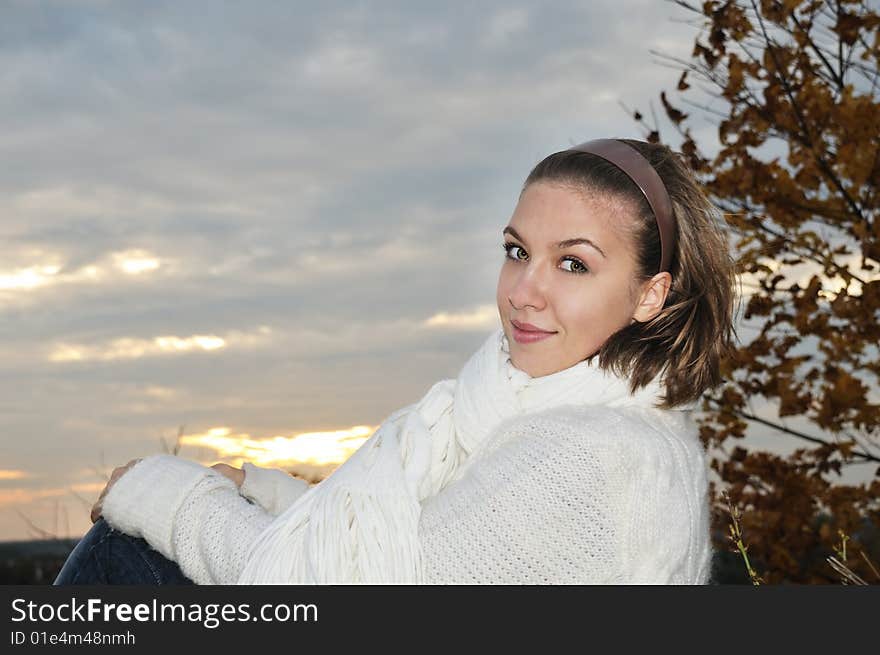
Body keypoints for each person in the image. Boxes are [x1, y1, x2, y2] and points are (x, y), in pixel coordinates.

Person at [54, 137, 737, 585]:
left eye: (573, 263)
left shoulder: (587, 451)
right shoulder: (589, 416)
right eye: (516, 250)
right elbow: (413, 545)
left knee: (127, 546)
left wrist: (163, 492)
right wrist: (259, 484)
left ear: (650, 293)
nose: (524, 292)